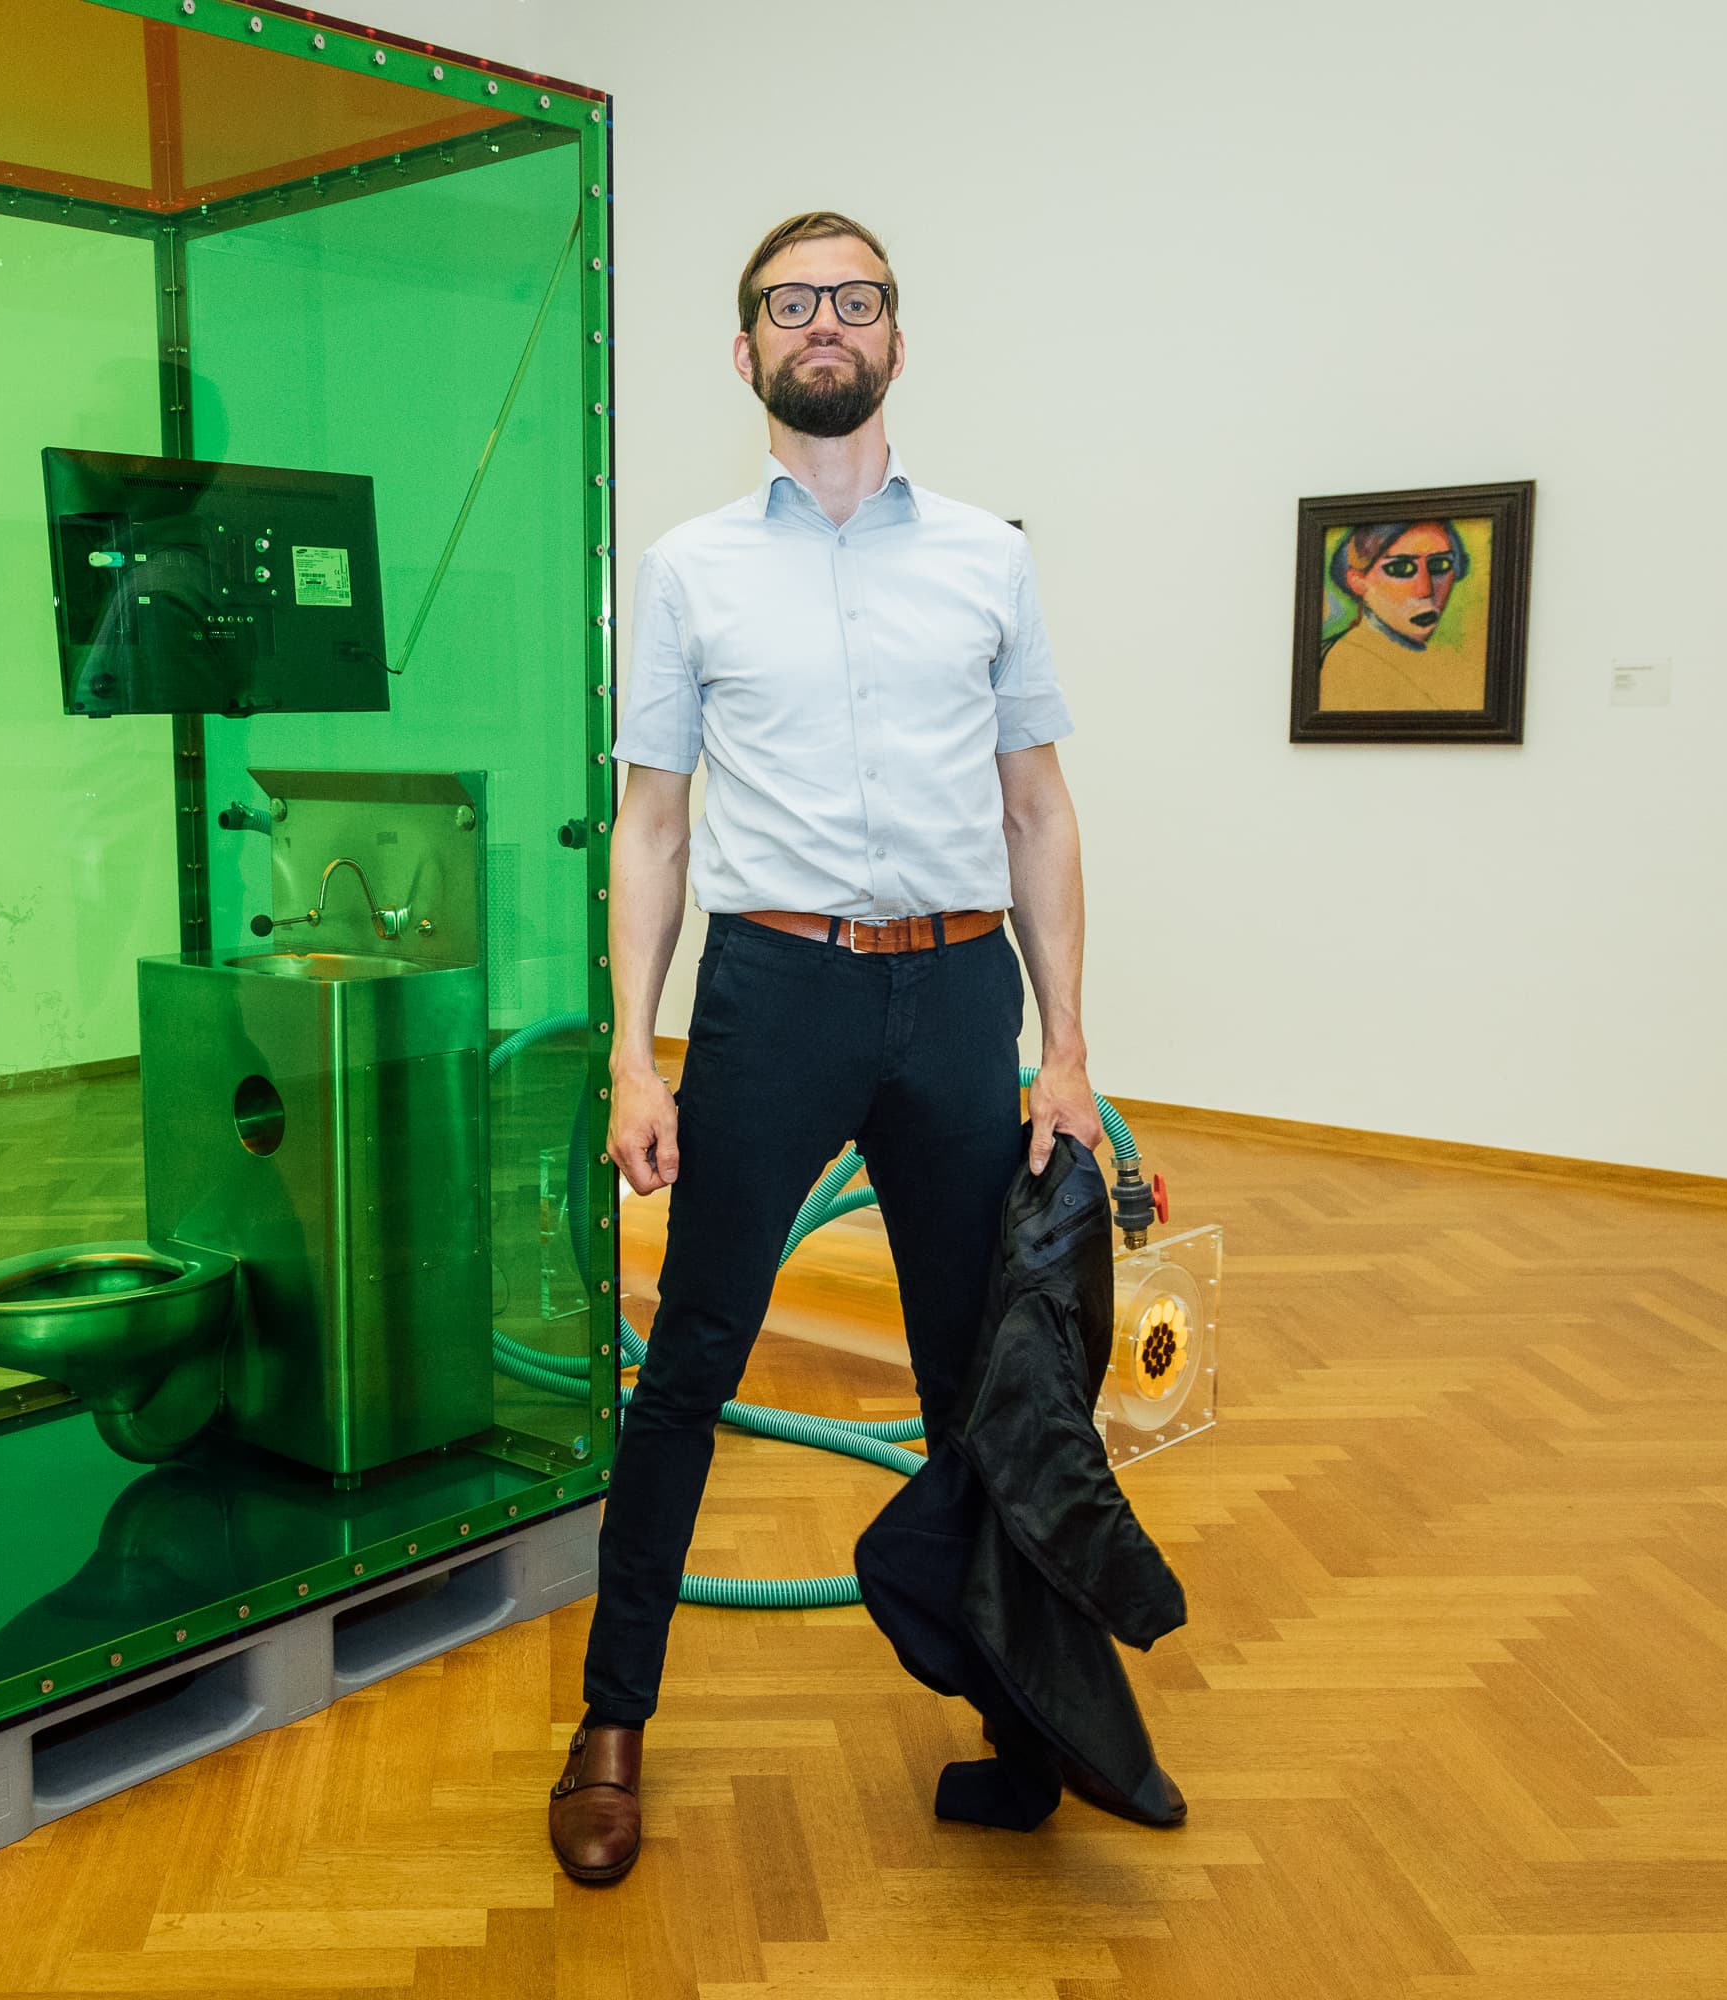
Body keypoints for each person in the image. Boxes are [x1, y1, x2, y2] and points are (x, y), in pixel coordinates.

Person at [549, 210, 1164, 1883]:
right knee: (692, 1363)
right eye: (791, 302)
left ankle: (1020, 1721)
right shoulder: (689, 569)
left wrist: (1065, 1050)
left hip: (959, 1000)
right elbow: (653, 827)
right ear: (745, 349)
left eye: (856, 298)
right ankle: (610, 1725)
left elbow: (1037, 811)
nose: (825, 321)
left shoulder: (985, 558)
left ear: (897, 338)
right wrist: (636, 1057)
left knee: (984, 1377)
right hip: (775, 996)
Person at [1315, 519, 1484, 710]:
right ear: (1358, 582)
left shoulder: (1449, 667)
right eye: (1400, 569)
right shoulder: (1345, 662)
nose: (1425, 590)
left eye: (1440, 564)